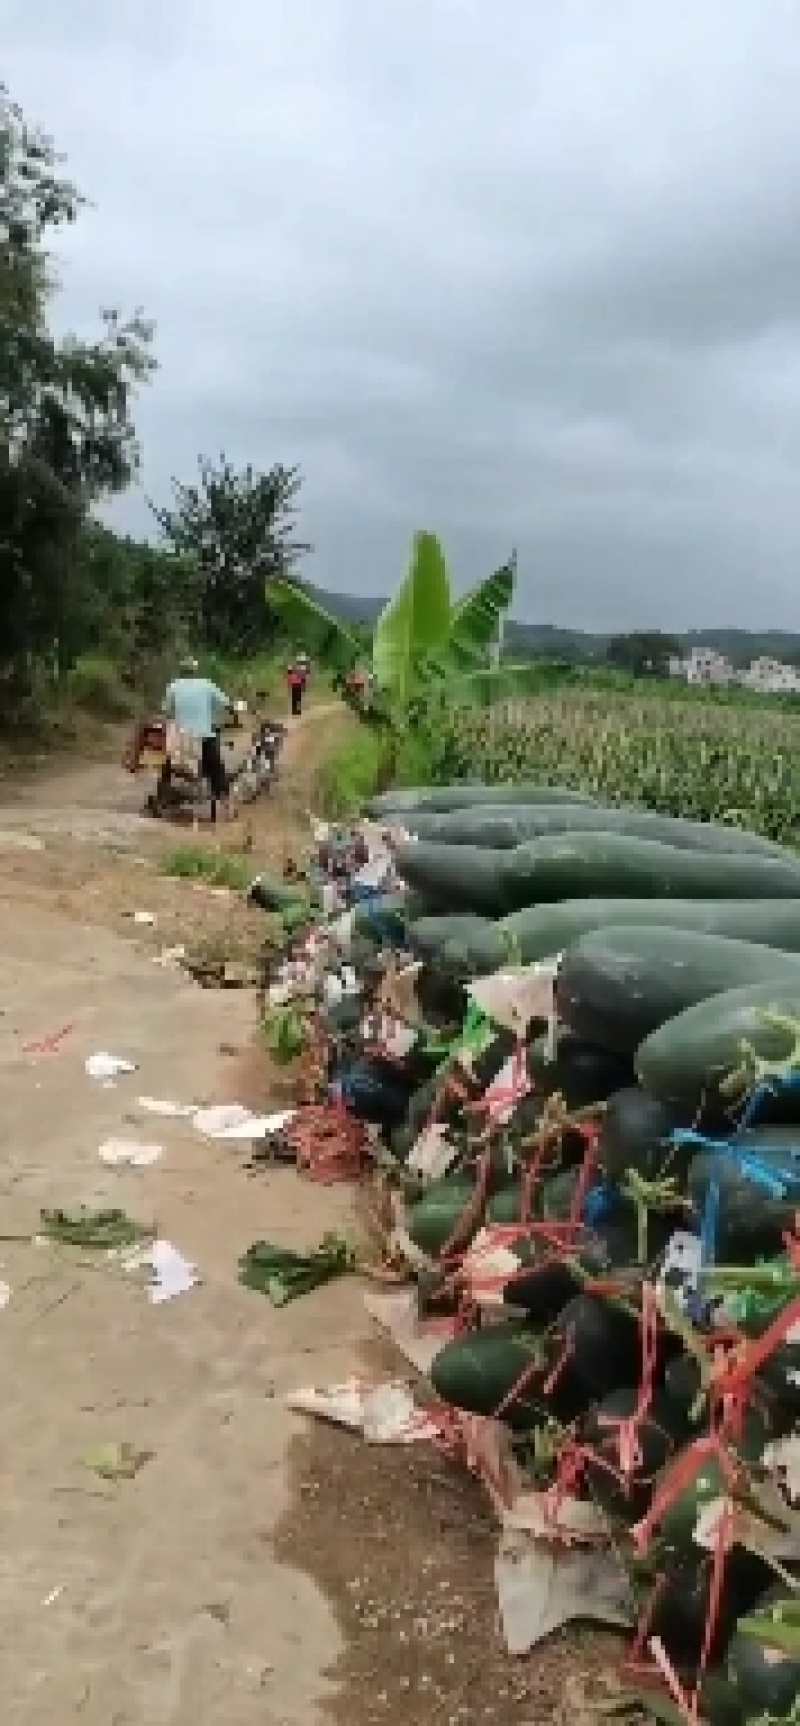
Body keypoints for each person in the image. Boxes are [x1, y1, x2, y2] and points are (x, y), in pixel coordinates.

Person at [163, 656, 232, 823]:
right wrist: (234, 714)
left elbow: (167, 711)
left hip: (182, 738)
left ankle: (164, 797)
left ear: (182, 672)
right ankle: (227, 808)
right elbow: (226, 704)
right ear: (195, 671)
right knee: (217, 769)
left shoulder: (173, 686)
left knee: (170, 766)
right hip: (204, 735)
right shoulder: (207, 684)